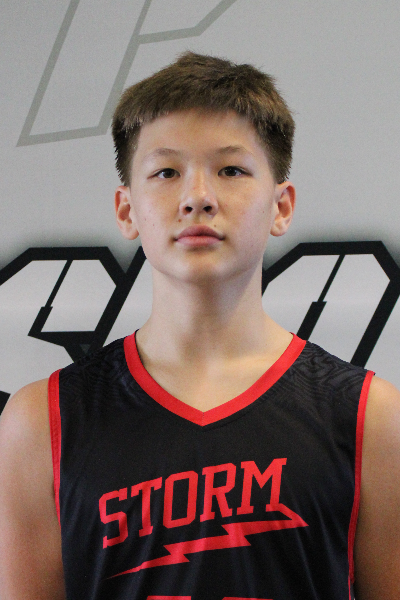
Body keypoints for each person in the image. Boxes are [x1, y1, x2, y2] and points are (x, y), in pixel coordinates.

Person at [0, 51, 399, 600]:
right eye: (166, 172)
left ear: (281, 206)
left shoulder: (370, 419)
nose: (197, 197)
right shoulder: (41, 422)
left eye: (231, 170)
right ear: (127, 210)